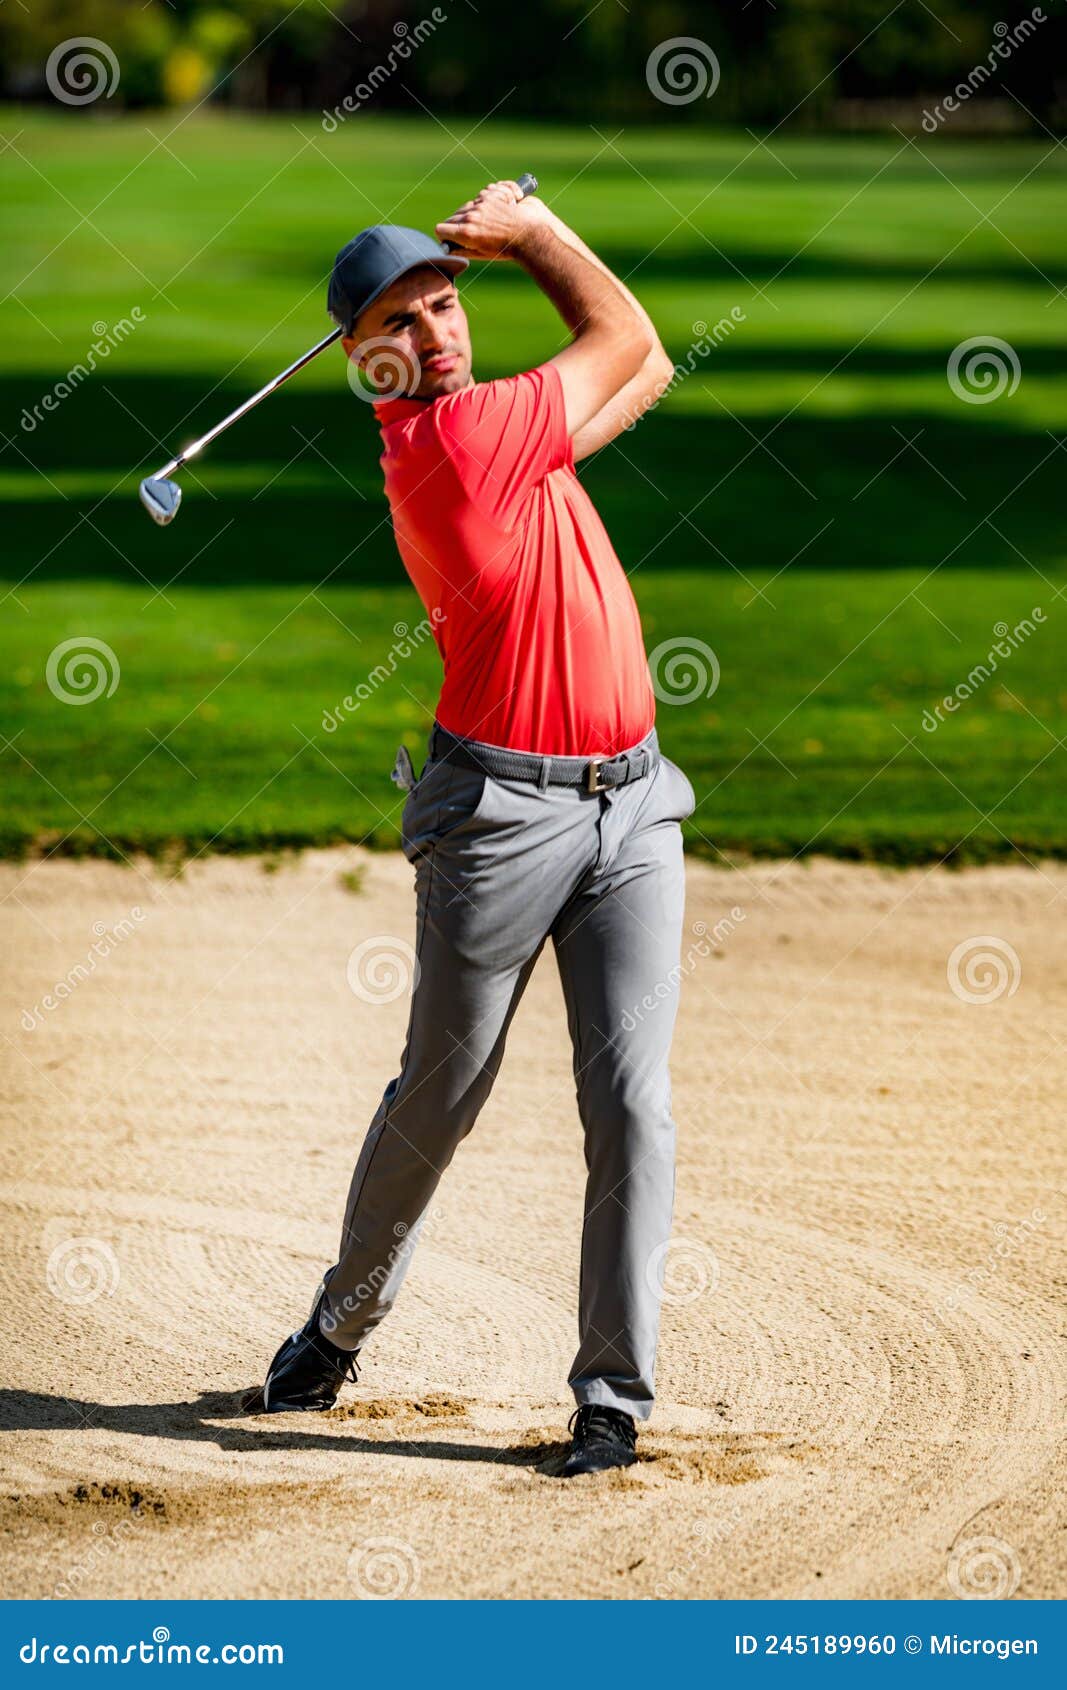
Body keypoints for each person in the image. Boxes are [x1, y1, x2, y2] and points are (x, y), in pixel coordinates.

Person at [245, 180, 696, 1476]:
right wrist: (538, 232)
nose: (440, 328)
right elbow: (616, 338)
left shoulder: (505, 432)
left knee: (634, 1102)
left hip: (632, 804)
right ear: (365, 358)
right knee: (446, 1086)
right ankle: (340, 1325)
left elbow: (644, 357)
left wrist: (535, 254)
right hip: (499, 815)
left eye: (449, 302)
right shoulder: (455, 443)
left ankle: (612, 1398)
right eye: (406, 317)